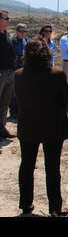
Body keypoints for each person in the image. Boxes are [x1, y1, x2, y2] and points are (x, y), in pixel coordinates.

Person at [14, 37, 68, 217]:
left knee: (27, 166)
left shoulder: (18, 74)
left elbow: (18, 99)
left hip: (27, 126)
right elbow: (65, 101)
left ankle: (25, 205)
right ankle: (55, 208)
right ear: (47, 53)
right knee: (53, 168)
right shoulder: (57, 74)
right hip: (53, 127)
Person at [0, 9, 16, 141]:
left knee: (5, 103)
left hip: (9, 73)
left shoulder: (6, 35)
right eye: (6, 18)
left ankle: (2, 127)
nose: (8, 20)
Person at [9, 23, 28, 121]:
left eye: (24, 31)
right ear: (17, 31)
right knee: (13, 92)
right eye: (21, 31)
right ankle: (13, 112)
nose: (23, 33)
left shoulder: (25, 41)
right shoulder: (13, 41)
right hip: (14, 68)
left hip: (23, 69)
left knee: (20, 91)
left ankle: (19, 110)